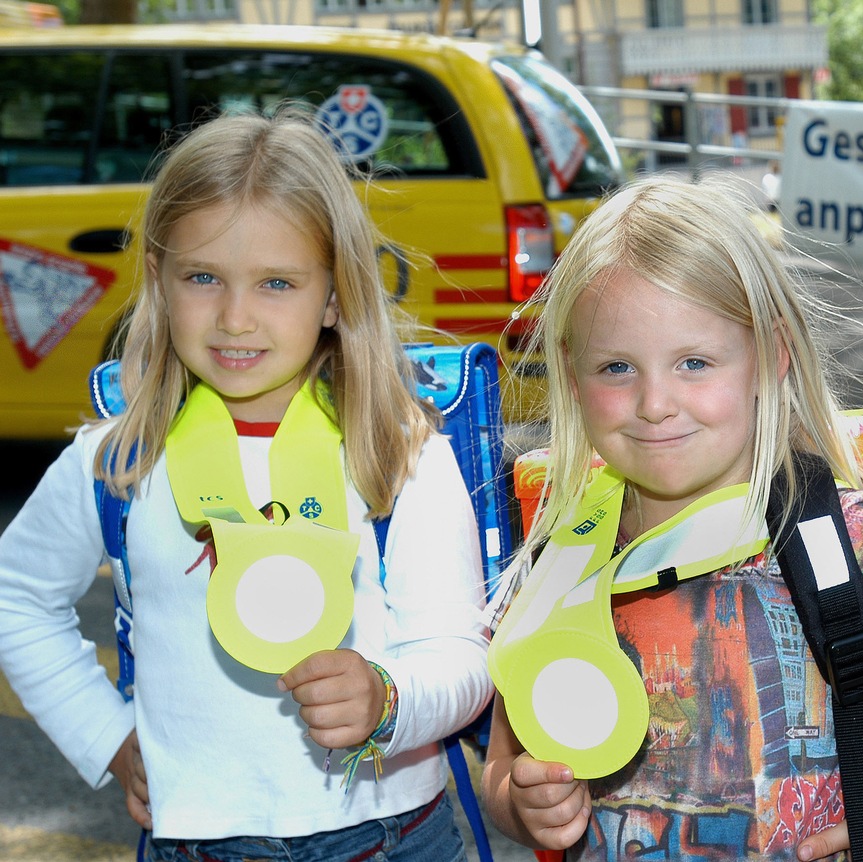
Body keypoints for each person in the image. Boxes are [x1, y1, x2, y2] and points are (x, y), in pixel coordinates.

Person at [480, 176, 863, 862]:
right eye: (617, 367)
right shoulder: (560, 553)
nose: (655, 402)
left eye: (694, 362)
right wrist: (522, 803)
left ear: (768, 357)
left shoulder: (841, 542)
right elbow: (505, 766)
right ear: (570, 376)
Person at [0, 110, 493, 861]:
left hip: (391, 839)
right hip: (195, 840)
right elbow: (16, 596)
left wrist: (387, 698)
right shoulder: (118, 461)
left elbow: (459, 653)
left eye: (276, 283)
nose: (235, 318)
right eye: (202, 278)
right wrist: (106, 737)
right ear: (161, 286)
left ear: (332, 297)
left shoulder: (399, 451)